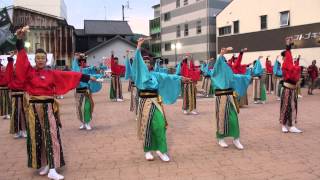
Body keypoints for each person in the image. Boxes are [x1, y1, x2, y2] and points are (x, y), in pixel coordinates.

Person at [14, 26, 96, 180]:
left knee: (51, 135)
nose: (39, 60)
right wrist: (20, 41)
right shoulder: (29, 73)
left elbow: (68, 75)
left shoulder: (51, 73)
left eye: (42, 58)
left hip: (48, 107)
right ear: (35, 60)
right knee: (36, 137)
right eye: (37, 58)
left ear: (46, 60)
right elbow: (21, 63)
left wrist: (86, 78)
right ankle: (44, 163)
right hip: (32, 108)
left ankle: (53, 168)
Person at [132, 38, 188, 162]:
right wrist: (139, 46)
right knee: (147, 126)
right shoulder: (139, 75)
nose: (146, 64)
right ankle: (147, 150)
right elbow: (137, 62)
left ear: (151, 65)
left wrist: (180, 78)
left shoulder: (155, 75)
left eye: (148, 62)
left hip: (156, 102)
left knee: (160, 125)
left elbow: (168, 77)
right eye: (144, 62)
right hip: (145, 103)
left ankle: (161, 150)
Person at [210, 47, 251, 149]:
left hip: (229, 96)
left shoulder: (228, 69)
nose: (224, 63)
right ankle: (220, 138)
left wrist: (247, 77)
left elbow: (235, 76)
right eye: (222, 61)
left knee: (233, 118)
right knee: (221, 118)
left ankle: (236, 139)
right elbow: (217, 65)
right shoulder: (217, 69)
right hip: (221, 97)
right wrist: (221, 54)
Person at [72, 53, 102, 130]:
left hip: (86, 91)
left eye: (84, 62)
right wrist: (76, 57)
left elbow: (95, 71)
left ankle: (87, 122)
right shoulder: (76, 69)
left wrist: (96, 68)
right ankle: (83, 123)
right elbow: (74, 68)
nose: (83, 63)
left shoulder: (88, 69)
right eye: (81, 62)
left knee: (87, 107)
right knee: (79, 108)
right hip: (78, 92)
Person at [280, 38, 302, 133]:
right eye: (288, 56)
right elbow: (289, 59)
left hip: (293, 89)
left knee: (293, 106)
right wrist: (288, 46)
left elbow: (295, 68)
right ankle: (283, 125)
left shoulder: (290, 64)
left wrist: (297, 60)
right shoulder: (285, 65)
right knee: (286, 107)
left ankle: (292, 125)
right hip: (287, 89)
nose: (290, 57)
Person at [6, 51, 28, 138]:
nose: (16, 68)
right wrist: (11, 58)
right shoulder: (11, 75)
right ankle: (17, 131)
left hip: (23, 95)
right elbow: (9, 70)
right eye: (15, 66)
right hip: (15, 96)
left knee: (24, 113)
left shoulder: (24, 74)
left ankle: (24, 130)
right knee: (15, 113)